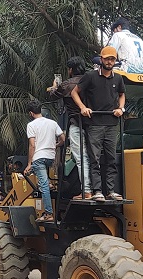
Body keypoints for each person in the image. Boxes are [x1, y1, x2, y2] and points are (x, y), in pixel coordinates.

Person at [71, 46, 126, 201]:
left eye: (112, 59)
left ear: (115, 61)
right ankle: (97, 191)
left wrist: (120, 108)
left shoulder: (118, 78)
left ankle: (111, 190)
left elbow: (122, 95)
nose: (109, 62)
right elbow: (74, 92)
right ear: (101, 59)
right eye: (107, 58)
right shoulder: (90, 76)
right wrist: (83, 107)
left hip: (111, 123)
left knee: (111, 158)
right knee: (94, 158)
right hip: (94, 123)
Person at [49, 56, 92, 199]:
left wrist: (55, 86)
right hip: (94, 125)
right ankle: (96, 189)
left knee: (80, 158)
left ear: (71, 70)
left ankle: (86, 190)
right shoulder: (92, 81)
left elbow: (53, 95)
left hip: (76, 123)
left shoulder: (67, 84)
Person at [24, 100, 65, 222]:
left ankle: (48, 213)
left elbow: (32, 145)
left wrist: (29, 163)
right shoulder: (53, 123)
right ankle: (49, 183)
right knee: (46, 182)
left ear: (31, 113)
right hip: (50, 157)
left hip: (39, 158)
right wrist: (56, 145)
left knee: (44, 186)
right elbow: (63, 138)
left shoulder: (31, 125)